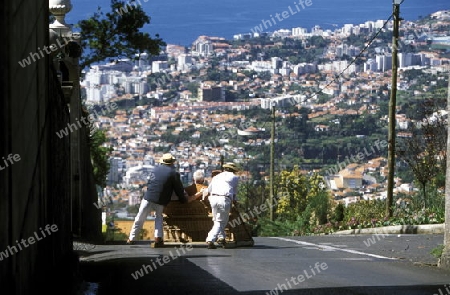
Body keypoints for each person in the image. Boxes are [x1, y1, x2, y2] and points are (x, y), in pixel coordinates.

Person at [127, 153, 188, 248]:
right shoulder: (174, 173)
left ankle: (131, 238)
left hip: (148, 197)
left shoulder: (155, 169)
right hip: (161, 200)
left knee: (139, 218)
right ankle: (158, 239)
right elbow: (179, 189)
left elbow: (150, 182)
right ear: (172, 163)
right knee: (159, 218)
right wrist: (184, 200)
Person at [204, 162, 240, 249]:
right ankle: (210, 239)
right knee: (221, 221)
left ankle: (221, 238)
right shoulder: (234, 177)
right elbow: (234, 193)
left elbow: (208, 190)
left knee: (216, 219)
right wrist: (235, 202)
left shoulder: (216, 177)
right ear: (233, 170)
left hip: (213, 198)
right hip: (224, 199)